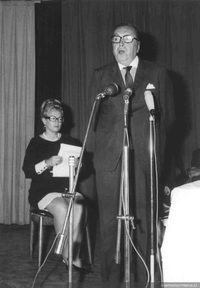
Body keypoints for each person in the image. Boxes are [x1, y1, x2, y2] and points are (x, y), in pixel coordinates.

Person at [87, 23, 175, 285]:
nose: (121, 44)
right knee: (110, 227)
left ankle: (144, 281)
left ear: (138, 44)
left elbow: (168, 119)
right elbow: (94, 120)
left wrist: (150, 145)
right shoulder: (101, 75)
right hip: (109, 163)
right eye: (115, 39)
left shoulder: (157, 73)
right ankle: (113, 283)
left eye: (127, 39)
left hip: (144, 160)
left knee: (144, 224)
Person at [22, 98, 92, 274]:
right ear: (44, 120)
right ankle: (67, 255)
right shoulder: (36, 143)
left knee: (78, 204)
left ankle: (72, 255)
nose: (57, 122)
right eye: (53, 118)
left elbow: (81, 173)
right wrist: (47, 162)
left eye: (60, 119)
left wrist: (79, 166)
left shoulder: (71, 141)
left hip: (66, 189)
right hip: (43, 192)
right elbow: (28, 171)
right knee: (61, 207)